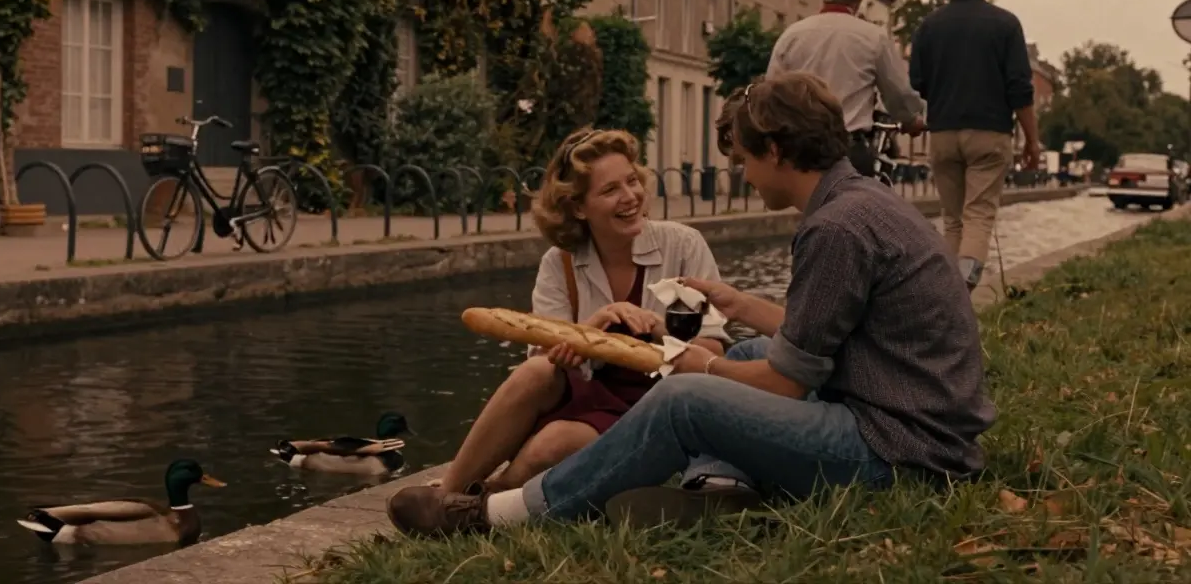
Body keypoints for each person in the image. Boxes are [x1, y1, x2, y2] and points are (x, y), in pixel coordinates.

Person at [386, 72, 996, 535]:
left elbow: (787, 383)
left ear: (777, 152)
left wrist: (700, 368)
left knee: (686, 398)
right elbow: (822, 335)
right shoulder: (861, 202)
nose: (743, 175)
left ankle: (498, 516)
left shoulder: (834, 228)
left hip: (898, 450)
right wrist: (741, 305)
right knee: (751, 350)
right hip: (919, 427)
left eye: (746, 159)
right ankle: (724, 480)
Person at [433, 127, 731, 496]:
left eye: (632, 181)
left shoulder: (683, 245)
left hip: (660, 401)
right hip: (589, 393)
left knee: (552, 446)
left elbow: (714, 355)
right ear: (578, 207)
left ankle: (480, 503)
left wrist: (654, 325)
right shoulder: (560, 263)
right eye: (610, 190)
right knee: (535, 371)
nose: (630, 197)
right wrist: (589, 333)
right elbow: (543, 361)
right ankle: (448, 492)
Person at [909, 0, 1039, 290]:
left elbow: (918, 83)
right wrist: (1032, 141)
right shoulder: (1005, 25)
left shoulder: (928, 26)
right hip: (989, 132)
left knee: (953, 221)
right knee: (978, 215)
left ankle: (946, 296)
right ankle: (961, 290)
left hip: (943, 134)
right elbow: (1020, 90)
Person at [766, 0, 926, 178]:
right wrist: (911, 120)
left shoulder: (791, 36)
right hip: (848, 149)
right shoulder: (873, 38)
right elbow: (898, 94)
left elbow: (771, 95)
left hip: (802, 150)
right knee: (859, 207)